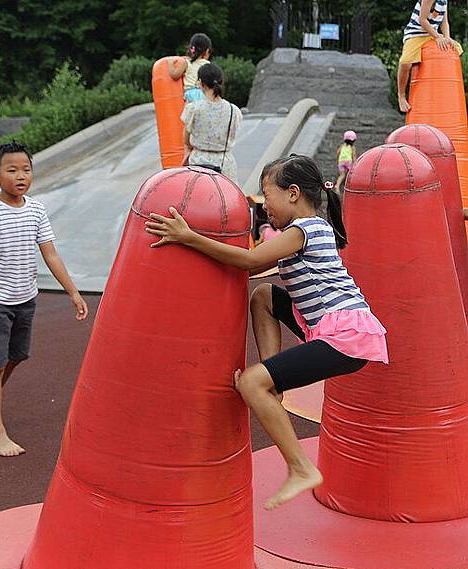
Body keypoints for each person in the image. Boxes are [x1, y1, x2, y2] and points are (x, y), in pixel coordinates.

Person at [145, 154, 389, 510]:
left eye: (266, 193)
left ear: (292, 193)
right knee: (264, 298)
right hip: (336, 330)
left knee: (249, 383)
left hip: (346, 335)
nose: (264, 203)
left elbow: (248, 260)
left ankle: (301, 467)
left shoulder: (304, 229)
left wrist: (188, 236)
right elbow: (252, 274)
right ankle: (272, 384)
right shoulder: (306, 232)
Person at [0, 141, 89, 457]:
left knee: (17, 355)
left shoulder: (36, 210)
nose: (20, 176)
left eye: (26, 169)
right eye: (12, 170)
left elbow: (50, 253)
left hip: (25, 297)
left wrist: (73, 292)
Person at [180, 63, 242, 183]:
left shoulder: (193, 108)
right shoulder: (234, 110)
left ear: (201, 83)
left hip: (198, 165)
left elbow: (186, 140)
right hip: (224, 165)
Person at [397, 0, 463, 113]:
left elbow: (444, 22)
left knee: (456, 48)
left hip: (431, 34)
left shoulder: (444, 1)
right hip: (415, 35)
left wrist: (446, 37)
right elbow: (422, 20)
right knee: (405, 62)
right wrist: (437, 37)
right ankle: (401, 95)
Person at [168, 33, 212, 103]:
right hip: (204, 94)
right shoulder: (208, 64)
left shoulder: (187, 63)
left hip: (190, 95)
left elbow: (174, 75)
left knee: (191, 112)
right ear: (207, 51)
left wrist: (170, 64)